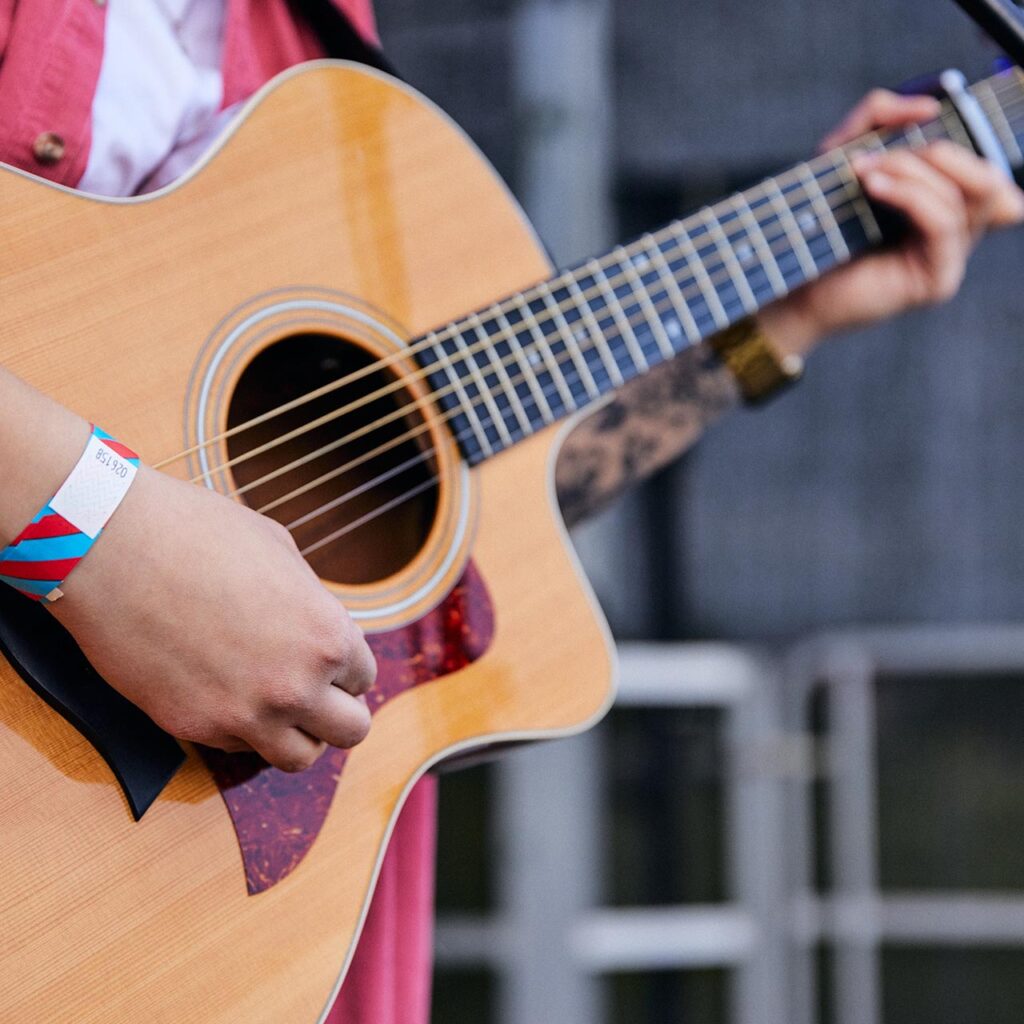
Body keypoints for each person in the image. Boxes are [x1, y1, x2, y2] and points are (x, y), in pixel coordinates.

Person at [0, 2, 1020, 1022]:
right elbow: (150, 542)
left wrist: (774, 316)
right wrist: (95, 532)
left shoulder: (315, 37)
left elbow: (472, 510)